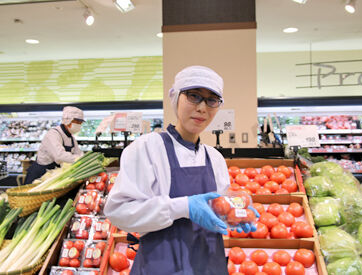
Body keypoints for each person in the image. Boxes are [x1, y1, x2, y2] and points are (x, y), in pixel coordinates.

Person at [104, 66, 257, 275]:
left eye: (211, 100)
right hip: (161, 266)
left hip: (210, 265)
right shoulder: (147, 148)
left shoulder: (215, 159)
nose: (202, 108)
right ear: (175, 97)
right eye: (194, 96)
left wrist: (235, 214)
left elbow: (217, 209)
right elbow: (119, 213)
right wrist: (183, 207)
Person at [24, 106, 85, 185]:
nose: (79, 125)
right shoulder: (53, 134)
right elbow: (59, 156)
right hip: (41, 175)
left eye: (81, 122)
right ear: (68, 120)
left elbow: (79, 153)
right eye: (77, 122)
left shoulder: (71, 137)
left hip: (53, 175)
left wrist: (82, 158)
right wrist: (78, 159)